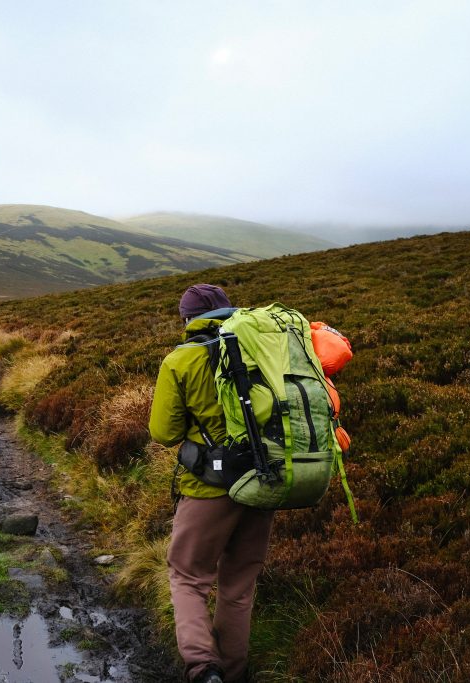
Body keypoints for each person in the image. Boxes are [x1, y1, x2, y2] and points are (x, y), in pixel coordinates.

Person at [148, 284, 274, 683]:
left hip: (209, 487)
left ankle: (203, 669)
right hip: (263, 480)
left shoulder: (180, 360)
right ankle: (233, 674)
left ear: (187, 320)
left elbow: (163, 433)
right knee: (238, 585)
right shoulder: (260, 349)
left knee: (187, 575)